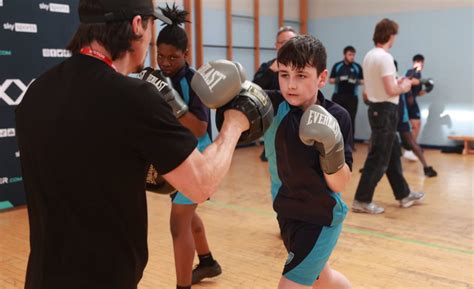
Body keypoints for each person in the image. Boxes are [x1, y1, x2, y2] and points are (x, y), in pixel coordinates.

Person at [14, 0, 269, 288]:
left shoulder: (36, 92)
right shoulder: (133, 97)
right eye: (150, 27)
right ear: (138, 25)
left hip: (40, 278)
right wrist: (236, 122)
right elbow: (201, 183)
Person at [264, 35, 352, 289]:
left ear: (321, 78)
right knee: (325, 279)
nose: (291, 84)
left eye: (301, 75)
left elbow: (339, 184)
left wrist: (330, 145)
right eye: (284, 75)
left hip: (320, 217)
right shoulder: (272, 106)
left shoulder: (337, 116)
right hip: (287, 212)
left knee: (291, 285)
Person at [155, 4, 221, 288]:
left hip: (197, 159)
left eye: (173, 57)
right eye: (160, 56)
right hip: (175, 159)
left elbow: (199, 127)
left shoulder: (193, 81)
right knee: (188, 215)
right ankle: (207, 262)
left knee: (177, 224)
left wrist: (172, 102)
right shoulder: (159, 77)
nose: (166, 62)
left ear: (186, 54)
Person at [352, 18, 425, 214]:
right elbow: (391, 89)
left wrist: (397, 81)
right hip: (386, 111)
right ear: (390, 36)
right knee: (378, 159)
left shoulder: (369, 56)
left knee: (392, 156)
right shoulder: (385, 57)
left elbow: (379, 85)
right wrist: (405, 85)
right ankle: (361, 200)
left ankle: (404, 194)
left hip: (378, 109)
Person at [253, 26, 297, 161]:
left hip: (299, 119)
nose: (287, 45)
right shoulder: (268, 66)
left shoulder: (306, 67)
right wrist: (271, 71)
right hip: (275, 121)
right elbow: (254, 88)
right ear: (276, 45)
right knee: (275, 165)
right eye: (283, 42)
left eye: (291, 41)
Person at [329, 46, 364, 148]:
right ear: (345, 55)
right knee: (335, 120)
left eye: (353, 55)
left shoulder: (357, 67)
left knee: (351, 120)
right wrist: (340, 79)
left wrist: (355, 81)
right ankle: (335, 144)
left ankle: (350, 145)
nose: (352, 57)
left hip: (352, 98)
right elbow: (330, 80)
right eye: (350, 55)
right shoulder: (338, 66)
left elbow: (363, 81)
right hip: (338, 96)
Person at [402, 54, 426, 161]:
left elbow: (418, 92)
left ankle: (411, 149)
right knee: (411, 126)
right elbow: (409, 81)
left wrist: (427, 89)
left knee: (416, 125)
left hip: (413, 102)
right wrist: (423, 81)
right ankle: (409, 149)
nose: (420, 64)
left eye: (422, 62)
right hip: (407, 102)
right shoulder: (411, 72)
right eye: (418, 62)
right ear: (414, 62)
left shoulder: (419, 74)